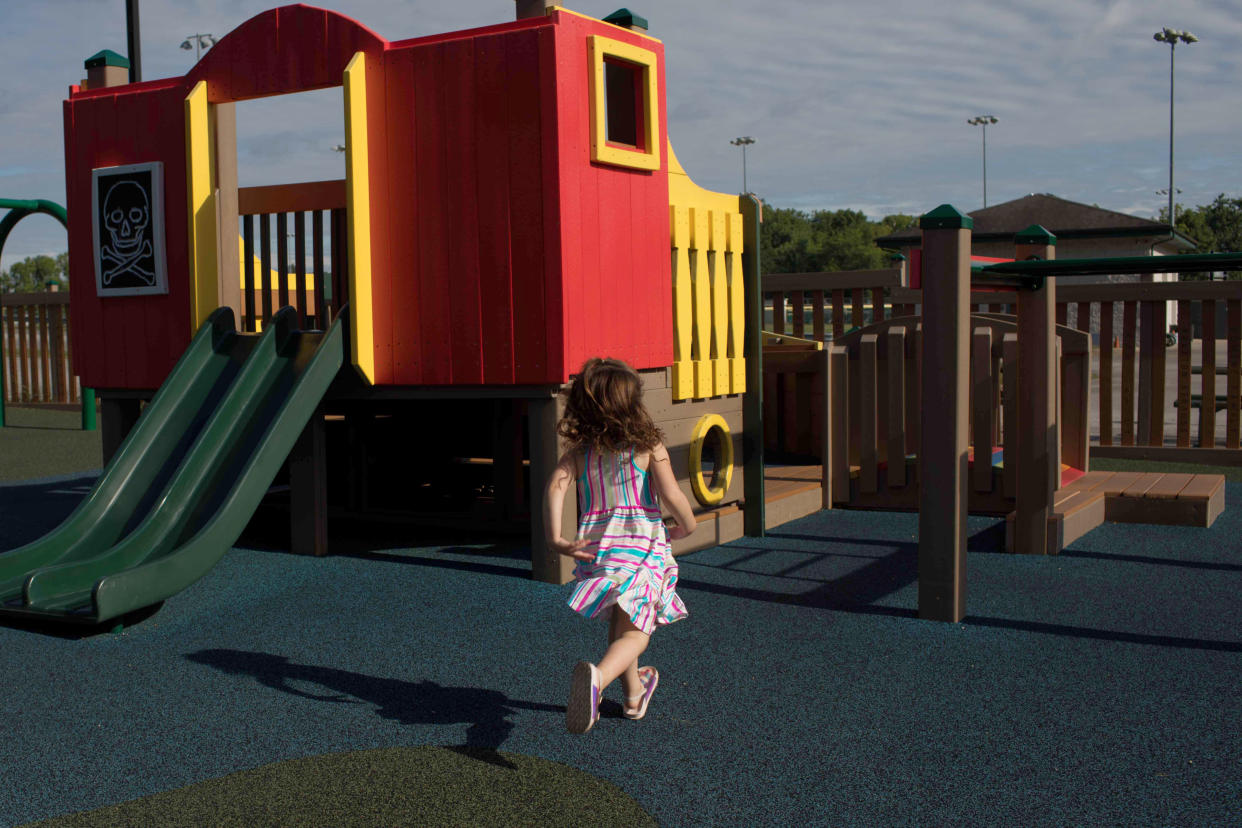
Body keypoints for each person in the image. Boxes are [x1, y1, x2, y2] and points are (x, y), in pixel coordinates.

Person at [544, 357, 697, 735]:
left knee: (621, 617)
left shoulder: (579, 454)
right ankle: (600, 677)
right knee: (638, 632)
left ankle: (633, 696)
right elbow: (672, 495)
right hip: (642, 550)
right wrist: (687, 526)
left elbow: (556, 486)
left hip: (602, 551)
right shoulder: (647, 446)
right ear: (632, 405)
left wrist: (557, 539)